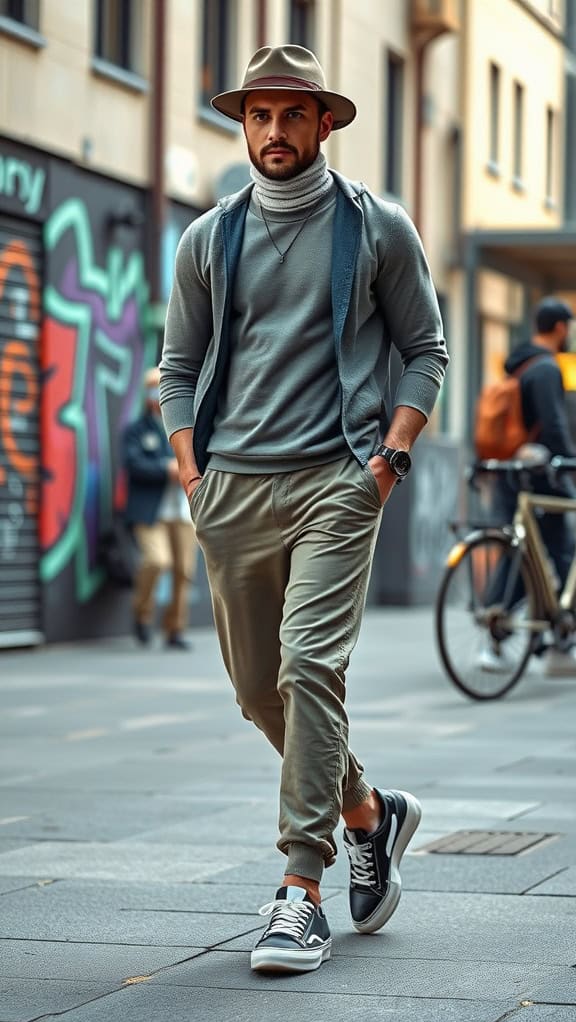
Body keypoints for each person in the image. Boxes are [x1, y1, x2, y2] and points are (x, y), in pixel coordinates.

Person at [160, 44, 448, 973]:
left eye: (293, 114)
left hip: (337, 479)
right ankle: (368, 811)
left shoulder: (376, 228)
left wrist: (389, 458)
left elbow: (425, 349)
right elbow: (176, 370)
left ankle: (300, 890)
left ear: (326, 122)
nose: (275, 132)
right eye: (259, 115)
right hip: (233, 488)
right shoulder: (208, 237)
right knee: (257, 692)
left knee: (309, 665)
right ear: (243, 124)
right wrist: (192, 471)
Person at [480, 296, 576, 673]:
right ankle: (560, 643)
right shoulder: (547, 369)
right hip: (541, 477)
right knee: (562, 553)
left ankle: (498, 633)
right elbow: (553, 426)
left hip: (511, 473)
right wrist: (570, 463)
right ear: (559, 328)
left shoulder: (517, 367)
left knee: (518, 552)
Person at [123, 367, 198, 650]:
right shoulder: (137, 430)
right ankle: (141, 616)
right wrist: (165, 469)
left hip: (182, 510)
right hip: (151, 511)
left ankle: (175, 629)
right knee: (157, 561)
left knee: (184, 571)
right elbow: (134, 464)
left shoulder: (185, 425)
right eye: (153, 388)